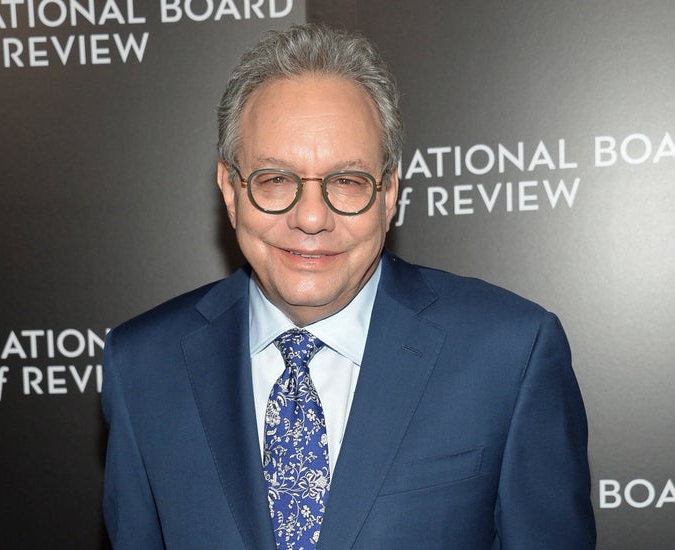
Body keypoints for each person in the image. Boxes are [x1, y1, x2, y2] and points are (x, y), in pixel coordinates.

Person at [102, 23, 596, 549]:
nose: (312, 217)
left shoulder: (510, 354)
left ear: (388, 195)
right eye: (274, 179)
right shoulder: (142, 367)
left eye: (347, 181)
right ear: (230, 190)